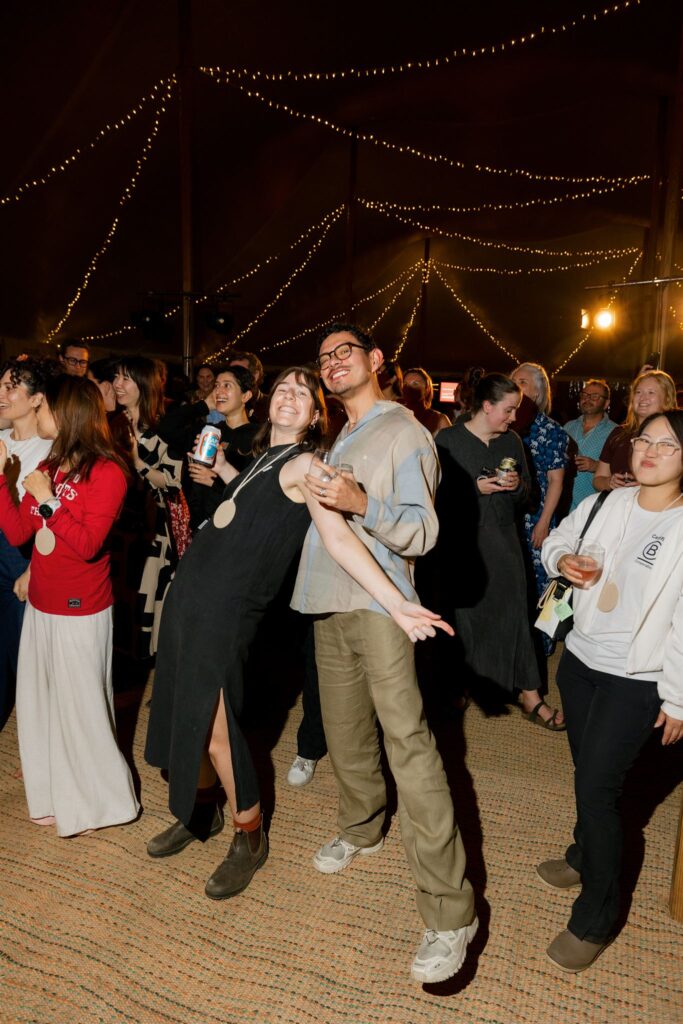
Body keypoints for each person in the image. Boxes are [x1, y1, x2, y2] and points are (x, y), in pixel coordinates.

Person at [143, 367, 450, 902]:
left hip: (225, 609)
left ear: (314, 416)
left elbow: (336, 537)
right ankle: (202, 813)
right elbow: (253, 505)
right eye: (282, 388)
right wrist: (223, 467)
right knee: (180, 708)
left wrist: (397, 602)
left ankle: (249, 834)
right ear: (268, 405)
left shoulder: (307, 463)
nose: (290, 396)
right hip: (191, 597)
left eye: (303, 394)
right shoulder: (264, 460)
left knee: (216, 727)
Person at [291, 324, 478, 985]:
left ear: (374, 361)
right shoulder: (338, 434)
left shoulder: (403, 432)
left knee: (409, 744)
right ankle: (362, 827)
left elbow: (422, 531)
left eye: (345, 352)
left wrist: (359, 500)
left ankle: (451, 912)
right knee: (343, 734)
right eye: (323, 359)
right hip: (327, 602)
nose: (333, 364)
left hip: (381, 607)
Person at [539, 410, 683, 973]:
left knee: (599, 791)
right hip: (579, 662)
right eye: (644, 439)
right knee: (586, 772)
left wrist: (677, 696)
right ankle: (582, 853)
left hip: (637, 678)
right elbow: (560, 539)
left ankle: (596, 917)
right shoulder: (607, 501)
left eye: (666, 445)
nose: (648, 450)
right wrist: (561, 559)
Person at [0, 374, 139, 836]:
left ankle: (109, 803)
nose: (36, 413)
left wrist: (48, 500)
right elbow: (20, 532)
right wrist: (5, 482)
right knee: (39, 705)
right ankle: (50, 795)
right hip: (41, 601)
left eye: (43, 408)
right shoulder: (56, 462)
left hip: (81, 608)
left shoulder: (110, 472)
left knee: (83, 711)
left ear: (66, 414)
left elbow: (87, 544)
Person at [436, 373, 565, 729]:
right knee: (464, 618)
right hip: (460, 542)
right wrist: (475, 489)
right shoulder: (447, 440)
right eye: (508, 410)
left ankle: (530, 695)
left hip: (504, 539)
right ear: (487, 405)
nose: (513, 418)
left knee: (513, 613)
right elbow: (431, 497)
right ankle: (461, 684)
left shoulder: (511, 442)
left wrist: (516, 485)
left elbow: (529, 496)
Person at [113, 357, 187, 654]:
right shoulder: (114, 423)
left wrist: (137, 462)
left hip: (155, 526)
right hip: (119, 523)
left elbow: (174, 481)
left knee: (147, 593)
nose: (118, 385)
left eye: (126, 378)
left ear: (143, 385)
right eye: (117, 377)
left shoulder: (165, 426)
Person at [0, 357, 54, 729]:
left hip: (20, 554)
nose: (1, 394)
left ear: (36, 399)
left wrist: (34, 567)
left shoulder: (50, 449)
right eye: (0, 386)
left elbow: (48, 520)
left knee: (26, 656)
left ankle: (39, 741)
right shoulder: (0, 438)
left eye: (11, 387)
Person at [510, 362, 569, 655]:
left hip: (537, 517)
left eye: (522, 381)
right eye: (513, 380)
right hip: (508, 517)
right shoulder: (504, 425)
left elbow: (556, 481)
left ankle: (539, 651)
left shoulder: (552, 430)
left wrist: (544, 523)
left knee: (540, 585)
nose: (515, 385)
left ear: (538, 390)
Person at [593, 369, 677, 492]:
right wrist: (609, 482)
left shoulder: (676, 435)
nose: (642, 397)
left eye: (650, 392)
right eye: (638, 392)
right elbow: (598, 479)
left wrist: (646, 485)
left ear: (667, 399)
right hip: (618, 507)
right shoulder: (618, 433)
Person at [563, 379, 618, 511]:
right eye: (585, 395)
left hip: (594, 508)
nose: (587, 399)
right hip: (563, 506)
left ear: (606, 403)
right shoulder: (568, 427)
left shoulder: (615, 432)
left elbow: (621, 472)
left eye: (594, 396)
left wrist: (595, 466)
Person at [403, 367, 451, 436]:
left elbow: (451, 445)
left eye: (415, 384)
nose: (409, 388)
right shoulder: (396, 414)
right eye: (405, 384)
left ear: (427, 388)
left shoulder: (438, 419)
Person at [229, 350, 270, 422]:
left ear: (255, 376)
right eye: (231, 373)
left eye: (240, 372)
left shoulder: (271, 406)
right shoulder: (224, 404)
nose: (234, 378)